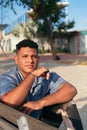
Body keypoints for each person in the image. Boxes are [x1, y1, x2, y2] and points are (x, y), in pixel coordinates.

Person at [0, 39, 83, 129]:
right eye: (25, 56)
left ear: (38, 59)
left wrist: (40, 103)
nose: (30, 60)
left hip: (39, 121)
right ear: (16, 59)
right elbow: (9, 103)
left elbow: (71, 90)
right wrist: (32, 76)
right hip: (17, 125)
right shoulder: (8, 77)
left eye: (34, 56)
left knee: (67, 102)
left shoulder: (45, 75)